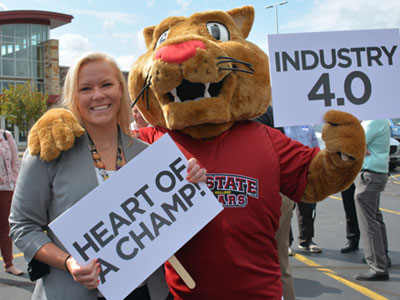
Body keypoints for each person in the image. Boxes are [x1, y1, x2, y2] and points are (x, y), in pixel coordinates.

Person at [9, 52, 206, 300]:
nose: (98, 95)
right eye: (85, 88)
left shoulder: (149, 156)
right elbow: (22, 227)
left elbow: (171, 226)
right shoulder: (48, 153)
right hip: (72, 292)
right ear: (74, 97)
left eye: (106, 84)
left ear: (120, 91)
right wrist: (69, 262)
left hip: (144, 292)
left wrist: (191, 184)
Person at [255, 106, 295, 300]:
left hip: (267, 191)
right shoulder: (267, 111)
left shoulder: (250, 117)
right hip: (280, 190)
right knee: (280, 260)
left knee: (261, 260)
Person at [354, 119, 391, 281]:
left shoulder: (374, 121)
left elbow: (355, 142)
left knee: (368, 223)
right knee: (375, 217)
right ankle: (382, 257)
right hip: (376, 174)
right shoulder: (378, 120)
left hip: (370, 175)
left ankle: (377, 266)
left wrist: (358, 146)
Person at [284, 125, 322, 253]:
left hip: (308, 171)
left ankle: (307, 241)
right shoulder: (281, 126)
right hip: (289, 172)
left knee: (308, 209)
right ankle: (286, 243)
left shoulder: (307, 126)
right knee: (287, 210)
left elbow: (315, 146)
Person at [0, 129, 23, 276]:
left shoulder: (6, 135)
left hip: (6, 189)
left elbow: (15, 161)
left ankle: (9, 264)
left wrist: (14, 182)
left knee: (5, 229)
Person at [340, 183, 360, 253]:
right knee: (349, 210)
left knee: (368, 215)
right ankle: (353, 241)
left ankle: (374, 248)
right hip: (348, 180)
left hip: (365, 178)